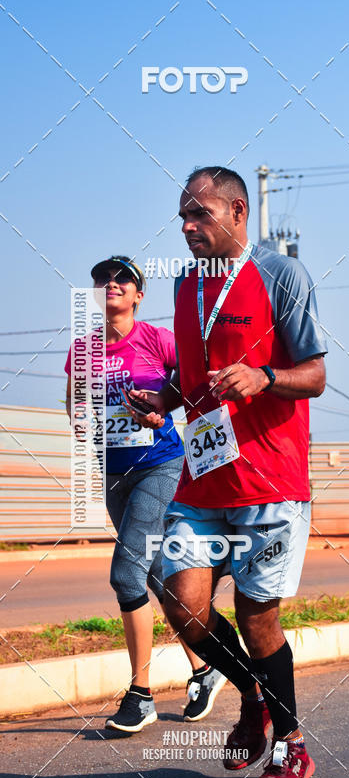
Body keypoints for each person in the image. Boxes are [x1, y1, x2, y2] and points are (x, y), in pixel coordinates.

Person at [130, 167, 327, 778]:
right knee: (183, 604)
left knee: (255, 616)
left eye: (200, 215)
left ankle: (291, 746)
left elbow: (316, 375)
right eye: (182, 217)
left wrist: (265, 376)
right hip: (204, 477)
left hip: (271, 479)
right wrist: (161, 397)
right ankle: (252, 695)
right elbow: (195, 382)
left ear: (238, 211)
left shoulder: (281, 275)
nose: (187, 227)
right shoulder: (188, 288)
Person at [65, 256, 226, 732]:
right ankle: (206, 668)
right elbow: (76, 398)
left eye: (123, 280)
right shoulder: (82, 349)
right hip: (113, 469)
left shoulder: (158, 340)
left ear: (138, 295)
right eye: (102, 279)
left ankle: (140, 696)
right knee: (155, 576)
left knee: (125, 574)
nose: (110, 284)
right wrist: (77, 417)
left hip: (160, 463)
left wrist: (163, 409)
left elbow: (192, 383)